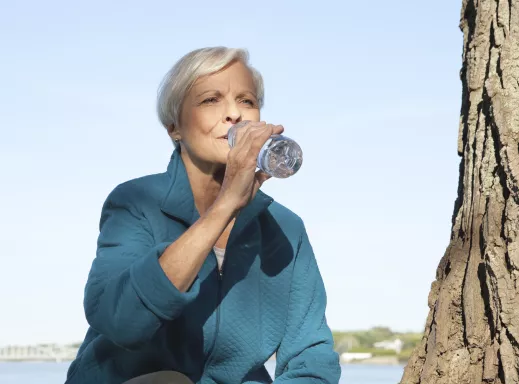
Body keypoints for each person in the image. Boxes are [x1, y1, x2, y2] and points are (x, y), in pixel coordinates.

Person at [65, 47, 341, 384]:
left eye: (247, 101)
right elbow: (121, 322)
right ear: (174, 127)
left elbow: (311, 357)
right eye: (211, 100)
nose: (233, 115)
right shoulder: (135, 202)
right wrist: (224, 207)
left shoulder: (286, 228)